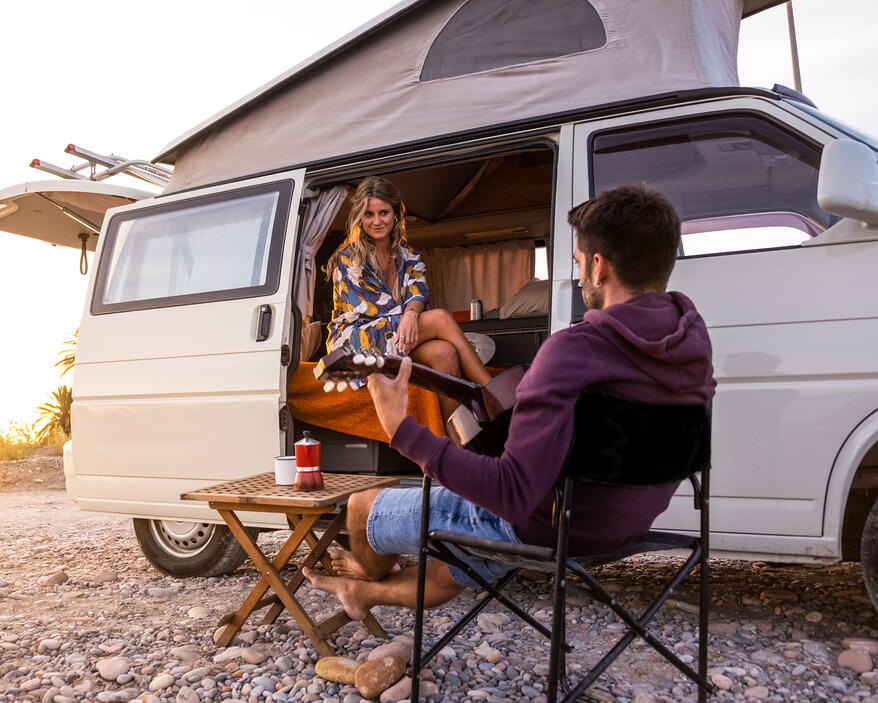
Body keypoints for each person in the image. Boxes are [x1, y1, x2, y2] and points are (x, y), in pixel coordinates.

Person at [304, 183, 716, 619]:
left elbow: (511, 493)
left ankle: (363, 574)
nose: (578, 276)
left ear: (598, 267)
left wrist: (403, 431)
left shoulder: (573, 350)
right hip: (627, 526)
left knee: (361, 505)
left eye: (577, 264)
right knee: (452, 562)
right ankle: (363, 595)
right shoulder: (694, 345)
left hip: (547, 529)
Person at [324, 177, 493, 415]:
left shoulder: (410, 256)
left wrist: (412, 314)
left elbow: (418, 292)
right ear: (360, 218)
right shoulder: (348, 258)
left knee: (445, 353)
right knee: (441, 319)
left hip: (400, 334)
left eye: (383, 212)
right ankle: (492, 394)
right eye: (368, 214)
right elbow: (375, 309)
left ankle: (454, 442)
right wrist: (411, 316)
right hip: (356, 343)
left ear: (395, 214)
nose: (376, 221)